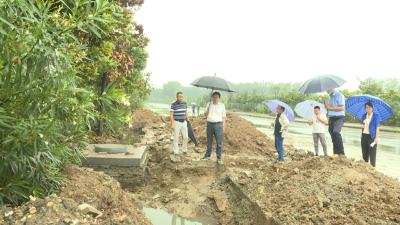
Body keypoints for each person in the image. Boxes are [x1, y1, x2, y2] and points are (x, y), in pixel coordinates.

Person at [201, 92, 226, 162]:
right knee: (209, 140)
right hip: (209, 124)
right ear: (212, 97)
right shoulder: (209, 104)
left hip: (218, 124)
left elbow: (224, 116)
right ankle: (208, 155)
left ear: (219, 98)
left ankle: (218, 156)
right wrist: (208, 110)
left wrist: (223, 126)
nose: (215, 98)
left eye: (216, 97)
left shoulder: (222, 106)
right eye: (214, 97)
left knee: (219, 141)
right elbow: (205, 115)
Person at [324, 88, 346, 157]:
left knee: (336, 132)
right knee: (332, 133)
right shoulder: (329, 97)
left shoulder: (339, 95)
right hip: (331, 118)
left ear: (332, 87)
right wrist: (326, 106)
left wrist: (329, 107)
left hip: (339, 117)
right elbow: (328, 110)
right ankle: (336, 152)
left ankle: (341, 152)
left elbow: (342, 108)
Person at [170, 92, 190, 159]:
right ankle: (176, 152)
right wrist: (172, 124)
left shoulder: (185, 104)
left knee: (186, 137)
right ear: (177, 97)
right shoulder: (174, 104)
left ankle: (184, 150)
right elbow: (171, 114)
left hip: (184, 122)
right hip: (177, 122)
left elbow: (186, 112)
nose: (181, 98)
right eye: (179, 97)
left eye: (182, 97)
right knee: (176, 138)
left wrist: (188, 120)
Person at [361, 102, 380, 167]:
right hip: (364, 136)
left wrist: (376, 138)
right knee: (365, 154)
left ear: (372, 108)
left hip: (372, 137)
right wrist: (362, 126)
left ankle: (372, 168)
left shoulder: (376, 116)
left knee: (372, 154)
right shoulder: (364, 115)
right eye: (366, 107)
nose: (368, 108)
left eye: (369, 107)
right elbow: (362, 124)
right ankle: (365, 168)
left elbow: (377, 127)